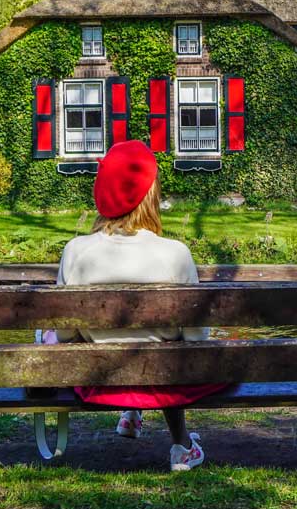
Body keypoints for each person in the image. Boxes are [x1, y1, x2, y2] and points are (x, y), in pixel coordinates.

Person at [52, 140, 228, 471]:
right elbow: (195, 340)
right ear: (150, 195)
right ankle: (181, 445)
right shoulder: (175, 253)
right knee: (172, 349)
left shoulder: (76, 250)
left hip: (99, 377)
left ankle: (132, 414)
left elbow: (64, 337)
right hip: (164, 377)